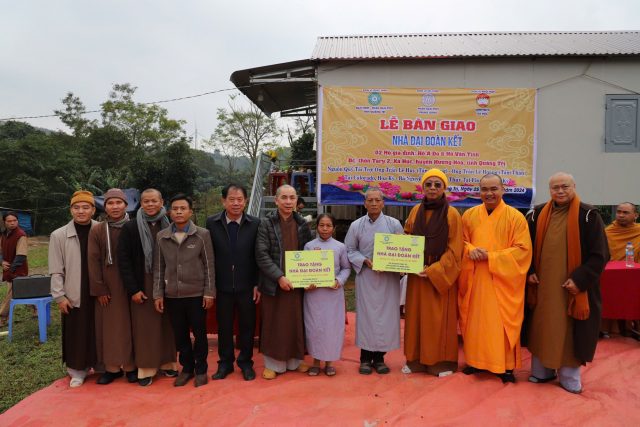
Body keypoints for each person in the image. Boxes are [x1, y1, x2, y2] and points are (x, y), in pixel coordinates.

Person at [526, 172, 609, 394]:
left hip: (572, 289)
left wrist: (580, 280)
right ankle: (542, 372)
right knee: (542, 327)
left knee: (570, 332)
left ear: (574, 187)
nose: (560, 191)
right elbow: (526, 247)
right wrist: (530, 271)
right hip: (543, 287)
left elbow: (600, 254)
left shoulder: (588, 215)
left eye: (565, 186)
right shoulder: (537, 214)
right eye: (555, 187)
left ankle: (569, 378)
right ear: (549, 190)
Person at [458, 174, 532, 383]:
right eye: (484, 189)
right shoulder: (469, 215)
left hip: (503, 283)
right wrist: (470, 250)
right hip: (475, 280)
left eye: (493, 189)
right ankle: (475, 362)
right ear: (479, 191)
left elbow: (523, 250)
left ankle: (504, 366)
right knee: (475, 323)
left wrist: (491, 257)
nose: (489, 193)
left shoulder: (515, 217)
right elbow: (460, 242)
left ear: (502, 190)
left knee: (500, 325)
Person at [403, 169, 463, 376]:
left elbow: (455, 250)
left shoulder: (452, 214)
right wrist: (405, 261)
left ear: (444, 188)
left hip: (438, 277)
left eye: (438, 184)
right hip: (417, 275)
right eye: (428, 184)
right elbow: (407, 237)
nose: (433, 188)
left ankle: (441, 363)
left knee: (438, 321)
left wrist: (433, 270)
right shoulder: (415, 211)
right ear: (423, 187)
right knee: (415, 319)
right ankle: (415, 361)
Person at [154, 194, 215, 388]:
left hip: (196, 294)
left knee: (200, 333)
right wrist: (158, 293)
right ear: (169, 212)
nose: (179, 212)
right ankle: (187, 368)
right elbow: (159, 267)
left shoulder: (202, 235)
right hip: (172, 295)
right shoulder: (162, 236)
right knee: (180, 335)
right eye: (175, 209)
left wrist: (209, 292)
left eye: (183, 208)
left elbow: (209, 265)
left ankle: (201, 370)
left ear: (190, 212)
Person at [118, 189, 177, 387]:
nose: (150, 205)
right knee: (144, 328)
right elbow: (124, 261)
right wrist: (133, 289)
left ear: (161, 202)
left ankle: (168, 363)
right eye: (146, 201)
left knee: (167, 325)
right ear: (140, 204)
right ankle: (146, 368)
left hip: (168, 282)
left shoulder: (171, 224)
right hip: (143, 282)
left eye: (154, 201)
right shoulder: (131, 227)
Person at [255, 184, 312, 380]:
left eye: (292, 198)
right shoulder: (266, 224)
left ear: (296, 200)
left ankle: (295, 360)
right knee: (274, 323)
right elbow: (261, 255)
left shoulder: (302, 224)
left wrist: (311, 275)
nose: (288, 202)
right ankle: (273, 364)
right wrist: (279, 277)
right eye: (284, 198)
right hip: (274, 283)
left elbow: (308, 252)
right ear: (276, 200)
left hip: (296, 283)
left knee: (295, 321)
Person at [345, 188, 404, 375]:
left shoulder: (394, 224)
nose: (373, 203)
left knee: (386, 317)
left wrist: (394, 263)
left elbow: (402, 250)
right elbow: (349, 250)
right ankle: (365, 358)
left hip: (388, 278)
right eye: (369, 200)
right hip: (367, 277)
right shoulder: (356, 225)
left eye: (377, 200)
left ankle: (379, 358)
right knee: (366, 317)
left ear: (383, 203)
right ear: (364, 204)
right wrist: (365, 261)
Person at [206, 183, 260, 381]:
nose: (236, 203)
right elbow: (209, 256)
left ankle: (245, 363)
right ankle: (225, 363)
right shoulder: (212, 223)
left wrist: (257, 283)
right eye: (231, 199)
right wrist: (210, 285)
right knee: (224, 327)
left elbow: (259, 256)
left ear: (245, 201)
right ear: (223, 201)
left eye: (240, 199)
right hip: (222, 286)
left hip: (247, 286)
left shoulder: (255, 224)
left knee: (247, 326)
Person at [49, 190, 98, 387]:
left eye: (86, 207)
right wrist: (60, 296)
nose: (81, 211)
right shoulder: (59, 235)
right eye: (76, 207)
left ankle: (101, 365)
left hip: (98, 290)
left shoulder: (101, 230)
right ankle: (77, 370)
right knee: (76, 331)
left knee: (99, 329)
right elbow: (55, 269)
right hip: (73, 291)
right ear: (70, 210)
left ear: (93, 210)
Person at [88, 189, 136, 385]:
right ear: (104, 207)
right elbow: (93, 261)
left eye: (118, 202)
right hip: (108, 285)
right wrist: (99, 288)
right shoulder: (98, 230)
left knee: (132, 326)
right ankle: (112, 368)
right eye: (110, 203)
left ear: (126, 205)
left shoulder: (135, 226)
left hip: (132, 283)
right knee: (110, 327)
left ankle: (132, 366)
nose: (115, 207)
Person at [303, 213, 351, 377]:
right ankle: (316, 362)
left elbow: (346, 268)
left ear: (334, 228)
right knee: (315, 327)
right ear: (316, 227)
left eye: (328, 225)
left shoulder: (340, 247)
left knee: (331, 327)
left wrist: (339, 280)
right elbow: (304, 268)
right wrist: (306, 282)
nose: (325, 229)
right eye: (321, 225)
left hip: (333, 294)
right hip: (314, 294)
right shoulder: (309, 246)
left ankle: (330, 362)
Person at [602, 202, 640, 337]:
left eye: (625, 213)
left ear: (635, 215)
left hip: (634, 276)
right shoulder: (607, 232)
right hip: (611, 276)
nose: (621, 215)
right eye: (619, 212)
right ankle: (606, 329)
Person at [0, 212, 29, 327]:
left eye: (14, 220)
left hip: (18, 270)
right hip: (8, 270)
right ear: (4, 222)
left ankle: (2, 317)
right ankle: (36, 308)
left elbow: (21, 256)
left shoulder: (21, 235)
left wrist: (10, 270)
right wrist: (1, 262)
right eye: (9, 221)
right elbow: (0, 251)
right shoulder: (3, 235)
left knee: (10, 295)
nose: (12, 223)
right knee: (23, 291)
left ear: (17, 221)